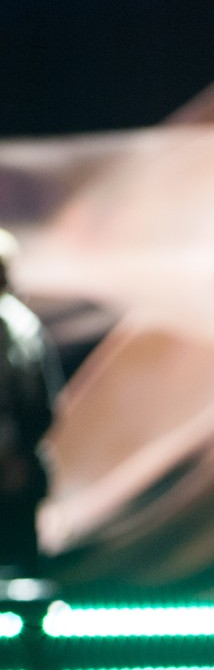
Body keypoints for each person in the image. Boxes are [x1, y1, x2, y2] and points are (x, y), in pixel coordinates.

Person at [0, 229, 62, 576]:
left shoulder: (16, 327)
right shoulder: (21, 325)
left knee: (18, 581)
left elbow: (37, 407)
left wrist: (16, 457)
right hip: (15, 474)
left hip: (11, 477)